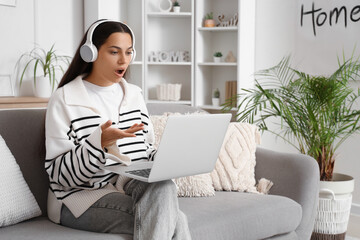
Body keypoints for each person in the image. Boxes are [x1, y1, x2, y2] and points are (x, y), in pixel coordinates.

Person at [45, 19, 191, 240]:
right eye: (114, 52)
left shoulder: (134, 95)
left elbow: (145, 147)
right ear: (91, 53)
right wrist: (99, 144)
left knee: (163, 185)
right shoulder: (65, 99)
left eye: (129, 52)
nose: (124, 60)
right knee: (176, 220)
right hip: (78, 198)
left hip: (125, 186)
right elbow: (61, 176)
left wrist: (165, 160)